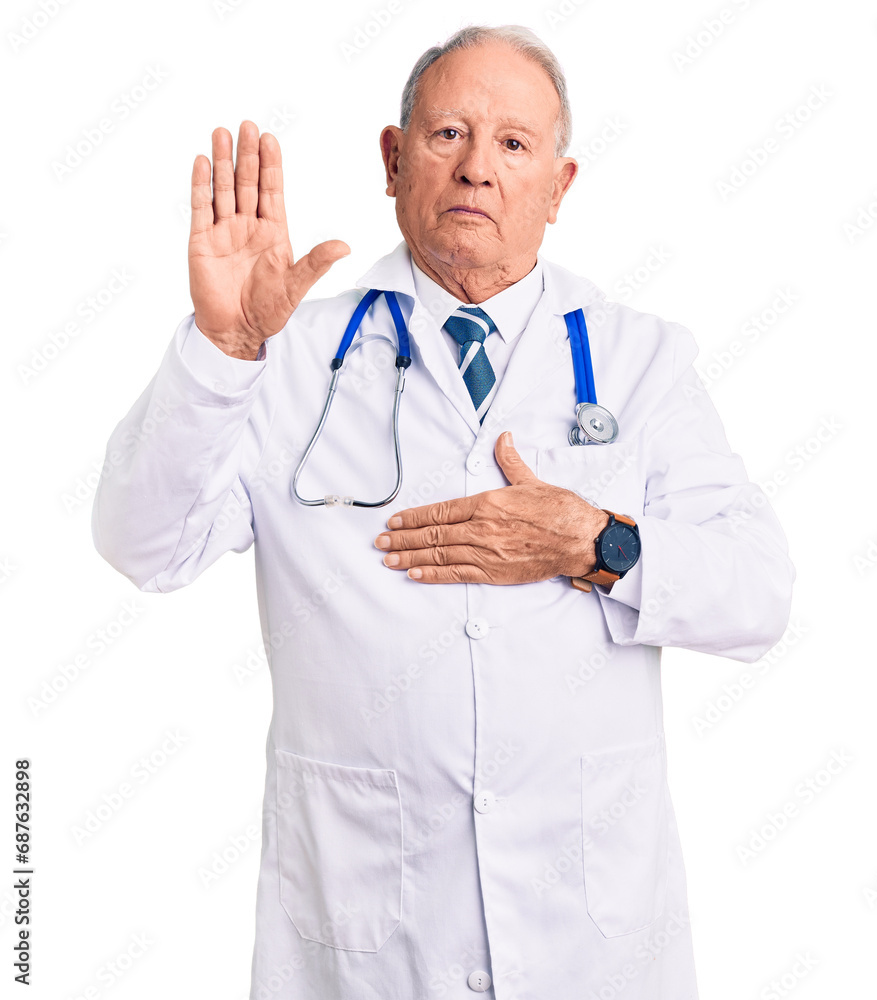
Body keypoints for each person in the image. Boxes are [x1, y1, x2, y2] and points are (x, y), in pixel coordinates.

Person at [92, 24, 794, 1000]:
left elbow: (756, 595)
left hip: (592, 952)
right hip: (361, 954)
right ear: (391, 159)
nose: (476, 168)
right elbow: (141, 544)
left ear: (559, 185)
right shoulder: (286, 352)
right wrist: (221, 348)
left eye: (513, 144)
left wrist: (595, 541)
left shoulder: (637, 361)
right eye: (446, 134)